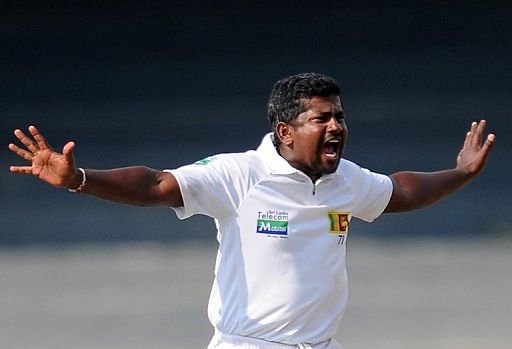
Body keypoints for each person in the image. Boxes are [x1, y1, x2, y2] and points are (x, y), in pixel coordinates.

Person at [8, 73, 495, 349]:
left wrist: (461, 173)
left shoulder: (345, 179)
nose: (336, 127)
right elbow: (156, 184)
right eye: (320, 118)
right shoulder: (239, 175)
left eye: (340, 116)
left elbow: (401, 192)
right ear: (285, 131)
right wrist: (79, 179)